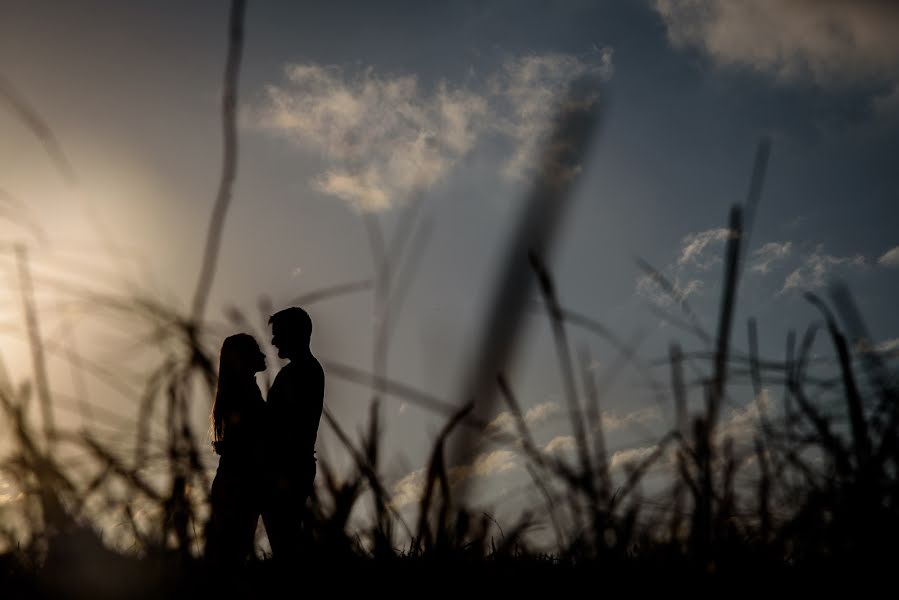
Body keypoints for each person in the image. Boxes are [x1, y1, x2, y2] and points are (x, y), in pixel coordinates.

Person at [261, 306, 325, 558]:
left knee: (285, 544)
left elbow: (283, 425)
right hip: (290, 467)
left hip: (289, 468)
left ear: (295, 334)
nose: (274, 341)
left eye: (279, 334)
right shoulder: (297, 372)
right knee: (285, 542)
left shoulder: (303, 372)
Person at [204, 333, 267, 566]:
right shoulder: (245, 393)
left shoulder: (241, 390)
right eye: (255, 350)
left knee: (230, 555)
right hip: (239, 483)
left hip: (235, 480)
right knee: (232, 556)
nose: (262, 354)